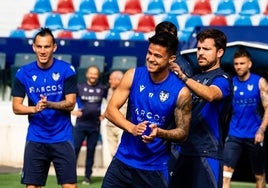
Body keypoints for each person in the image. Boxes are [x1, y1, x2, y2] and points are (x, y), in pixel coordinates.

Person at [101, 32, 192, 188]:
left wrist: (160, 132)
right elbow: (110, 110)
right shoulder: (133, 75)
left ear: (171, 59)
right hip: (123, 163)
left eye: (157, 55)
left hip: (154, 169)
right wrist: (133, 128)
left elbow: (183, 133)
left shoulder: (181, 92)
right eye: (149, 53)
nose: (150, 58)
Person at [11, 28, 77, 188]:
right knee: (32, 186)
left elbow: (71, 103)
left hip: (62, 137)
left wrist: (49, 104)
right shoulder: (23, 73)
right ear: (33, 47)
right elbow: (16, 107)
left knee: (69, 186)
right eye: (39, 46)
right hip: (36, 138)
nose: (42, 51)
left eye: (47, 47)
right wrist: (34, 109)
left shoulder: (66, 70)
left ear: (54, 47)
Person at [169, 28, 233, 188]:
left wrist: (183, 77)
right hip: (183, 152)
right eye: (198, 48)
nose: (200, 53)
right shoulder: (195, 78)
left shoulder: (223, 78)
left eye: (206, 49)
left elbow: (211, 94)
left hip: (207, 153)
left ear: (219, 52)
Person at [222, 48, 268, 188]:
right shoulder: (231, 83)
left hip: (254, 134)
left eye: (242, 63)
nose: (238, 66)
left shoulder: (260, 82)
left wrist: (261, 130)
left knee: (259, 175)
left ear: (249, 64)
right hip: (234, 134)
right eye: (236, 64)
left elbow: (267, 108)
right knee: (225, 174)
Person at [71, 65, 107, 185]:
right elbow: (68, 100)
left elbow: (112, 101)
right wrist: (72, 111)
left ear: (98, 75)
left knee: (91, 151)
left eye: (95, 74)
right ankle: (70, 176)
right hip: (81, 125)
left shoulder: (103, 88)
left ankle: (87, 177)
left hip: (94, 126)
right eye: (91, 73)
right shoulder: (79, 87)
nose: (93, 76)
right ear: (87, 74)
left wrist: (105, 114)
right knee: (74, 150)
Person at [105, 70, 126, 157]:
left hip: (121, 126)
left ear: (119, 80)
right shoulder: (110, 90)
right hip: (110, 125)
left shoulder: (128, 91)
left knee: (121, 152)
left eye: (111, 79)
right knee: (112, 153)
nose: (109, 81)